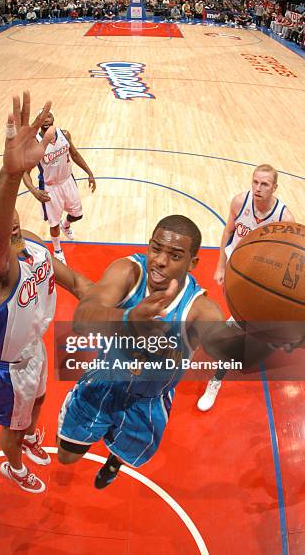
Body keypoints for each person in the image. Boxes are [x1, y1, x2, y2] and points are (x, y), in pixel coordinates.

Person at [56, 215, 267, 489]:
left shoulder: (200, 309)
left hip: (149, 400)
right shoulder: (128, 272)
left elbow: (234, 351)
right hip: (102, 383)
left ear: (192, 263)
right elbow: (82, 318)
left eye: (175, 255)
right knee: (66, 457)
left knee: (124, 453)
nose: (160, 261)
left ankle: (114, 462)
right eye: (155, 248)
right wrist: (128, 319)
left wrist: (275, 329)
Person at [0, 91, 92, 494]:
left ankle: (28, 437)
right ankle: (14, 465)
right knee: (12, 423)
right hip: (6, 365)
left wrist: (123, 306)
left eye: (11, 218)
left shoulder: (36, 245)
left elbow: (76, 282)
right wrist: (10, 176)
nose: (10, 226)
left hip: (34, 347)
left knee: (39, 403)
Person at [197, 164, 295, 411]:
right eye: (255, 182)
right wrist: (221, 265)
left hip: (262, 278)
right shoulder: (240, 202)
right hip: (237, 268)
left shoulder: (284, 218)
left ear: (274, 187)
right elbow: (228, 232)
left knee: (243, 324)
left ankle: (216, 378)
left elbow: (290, 257)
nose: (258, 188)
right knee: (239, 317)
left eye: (264, 184)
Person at [23, 110, 96, 265]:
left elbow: (74, 155)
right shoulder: (35, 143)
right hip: (50, 188)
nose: (46, 119)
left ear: (53, 118)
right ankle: (57, 250)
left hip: (68, 181)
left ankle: (67, 224)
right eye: (42, 117)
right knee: (53, 223)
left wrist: (89, 172)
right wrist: (34, 191)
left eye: (49, 116)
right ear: (39, 121)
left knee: (77, 214)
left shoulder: (64, 134)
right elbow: (25, 173)